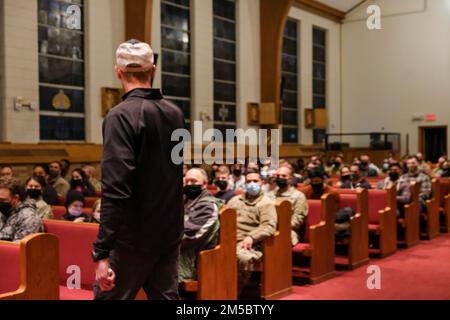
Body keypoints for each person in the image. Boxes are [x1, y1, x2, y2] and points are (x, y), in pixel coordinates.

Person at [93, 39, 185, 301]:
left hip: (131, 239)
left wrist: (101, 251)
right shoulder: (175, 113)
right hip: (168, 233)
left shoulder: (120, 116)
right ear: (152, 69)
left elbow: (116, 188)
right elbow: (173, 175)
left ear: (118, 71)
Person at [227, 170, 277, 292]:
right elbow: (225, 218)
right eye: (249, 181)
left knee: (241, 257)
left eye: (255, 181)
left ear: (262, 182)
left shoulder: (266, 203)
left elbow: (268, 226)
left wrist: (251, 237)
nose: (252, 184)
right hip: (229, 239)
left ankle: (232, 292)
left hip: (253, 243)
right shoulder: (235, 201)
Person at [179, 169, 220, 283]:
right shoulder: (185, 200)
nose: (189, 184)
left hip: (193, 260)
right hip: (178, 253)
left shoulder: (208, 206)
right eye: (187, 181)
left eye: (193, 181)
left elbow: (190, 236)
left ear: (205, 184)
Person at [268, 166, 308, 246]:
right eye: (278, 176)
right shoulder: (270, 195)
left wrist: (279, 226)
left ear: (290, 178)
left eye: (283, 176)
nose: (280, 178)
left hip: (288, 230)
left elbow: (298, 219)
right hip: (269, 228)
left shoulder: (298, 196)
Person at [0, 177, 43, 242]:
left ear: (16, 198)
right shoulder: (4, 212)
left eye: (2, 200)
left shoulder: (30, 218)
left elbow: (18, 249)